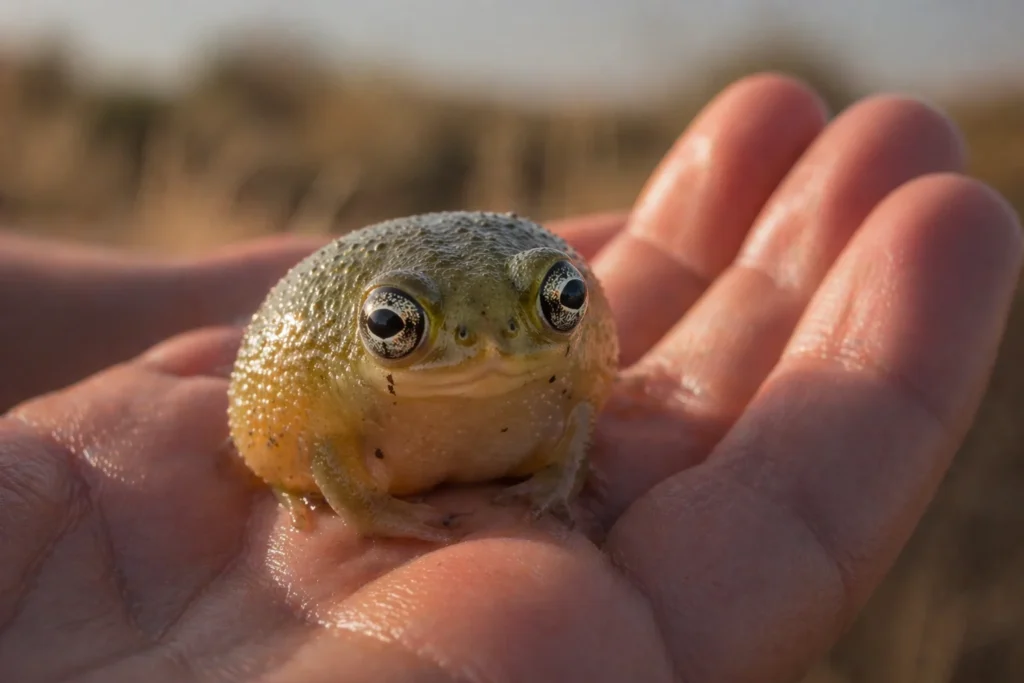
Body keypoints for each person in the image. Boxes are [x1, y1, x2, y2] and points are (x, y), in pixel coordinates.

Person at [0, 74, 1020, 683]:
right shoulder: (338, 368)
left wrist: (557, 465)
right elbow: (307, 440)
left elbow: (577, 400)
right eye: (404, 327)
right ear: (375, 329)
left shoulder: (556, 355)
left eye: (555, 306)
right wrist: (359, 503)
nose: (486, 348)